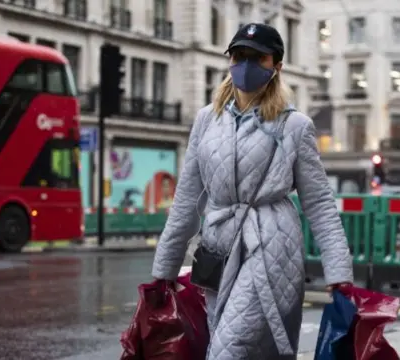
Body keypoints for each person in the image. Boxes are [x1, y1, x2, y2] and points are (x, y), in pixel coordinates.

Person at [151, 23, 353, 359]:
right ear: (229, 59)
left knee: (227, 352)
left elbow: (319, 204)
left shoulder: (295, 126)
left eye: (258, 58)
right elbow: (187, 198)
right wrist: (164, 271)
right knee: (236, 346)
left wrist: (339, 274)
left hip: (272, 249)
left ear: (276, 66)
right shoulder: (206, 120)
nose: (246, 64)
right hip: (218, 249)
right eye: (239, 55)